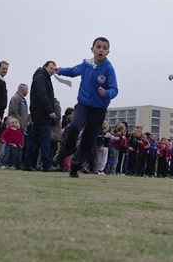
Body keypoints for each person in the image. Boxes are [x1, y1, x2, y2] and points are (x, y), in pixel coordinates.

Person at [54, 37, 118, 178]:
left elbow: (114, 89)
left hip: (99, 109)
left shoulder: (108, 69)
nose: (101, 50)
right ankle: (63, 153)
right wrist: (60, 70)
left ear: (108, 52)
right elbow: (73, 71)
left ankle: (75, 166)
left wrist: (106, 93)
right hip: (83, 105)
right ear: (92, 49)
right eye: (98, 47)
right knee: (74, 127)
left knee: (88, 140)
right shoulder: (86, 65)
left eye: (104, 48)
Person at [22, 61, 61, 172]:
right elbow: (42, 96)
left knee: (34, 140)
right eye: (50, 68)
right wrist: (50, 111)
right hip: (42, 114)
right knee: (45, 140)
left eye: (54, 69)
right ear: (45, 67)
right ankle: (46, 164)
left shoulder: (42, 78)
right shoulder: (41, 78)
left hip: (38, 114)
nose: (52, 71)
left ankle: (26, 163)